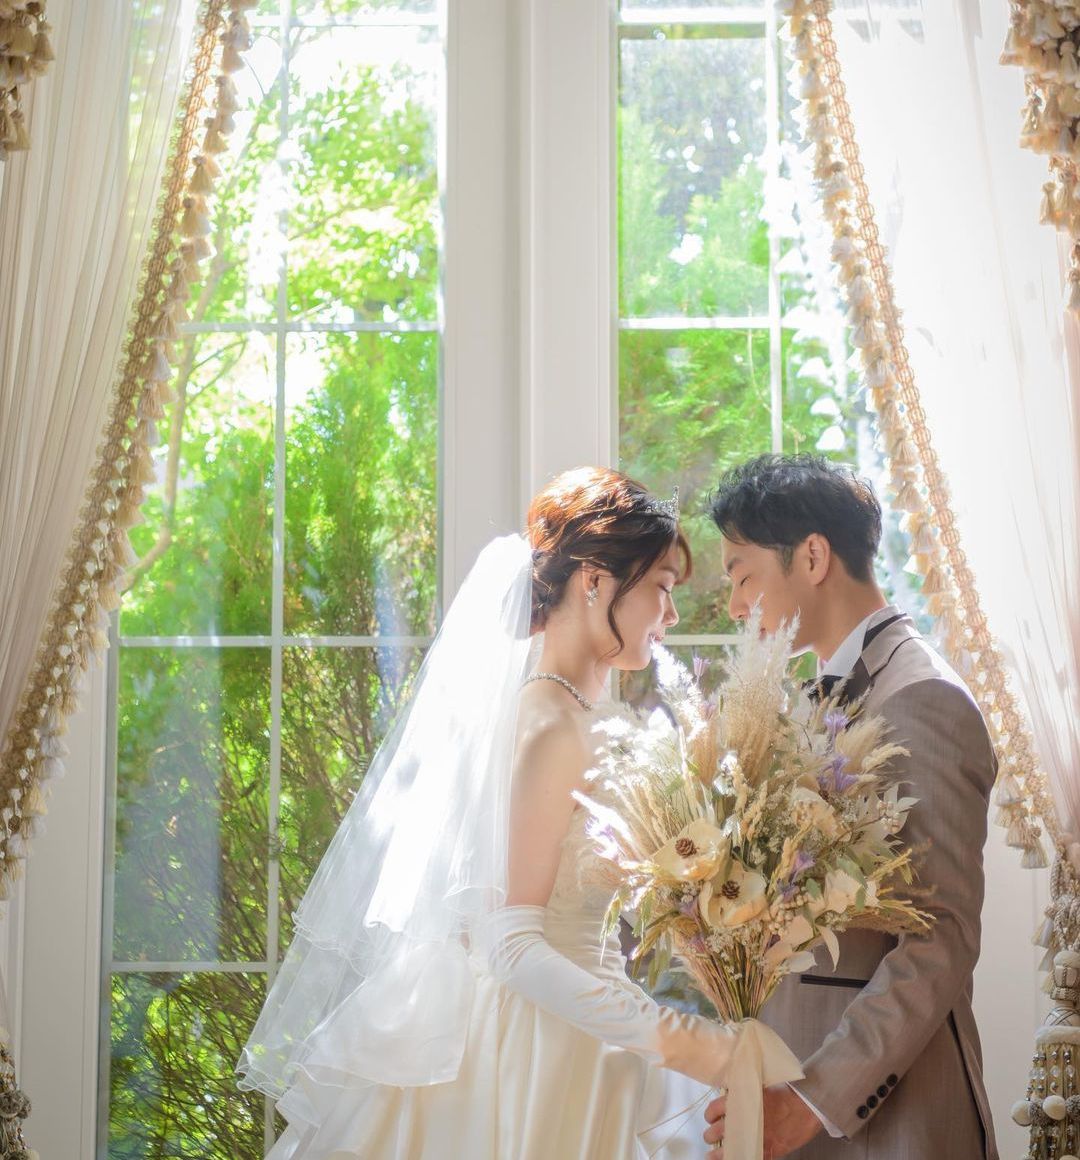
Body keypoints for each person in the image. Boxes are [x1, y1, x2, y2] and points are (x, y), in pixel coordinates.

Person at [238, 465, 797, 1160]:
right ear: (595, 581)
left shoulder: (584, 716)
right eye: (661, 587)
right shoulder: (551, 727)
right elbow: (509, 945)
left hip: (593, 1030)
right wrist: (689, 1045)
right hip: (540, 1054)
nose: (672, 616)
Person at [702, 454, 998, 1160]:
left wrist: (811, 1102)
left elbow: (941, 937)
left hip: (888, 1123)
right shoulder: (815, 695)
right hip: (789, 1090)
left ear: (812, 557)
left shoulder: (922, 697)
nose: (736, 606)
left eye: (742, 575)